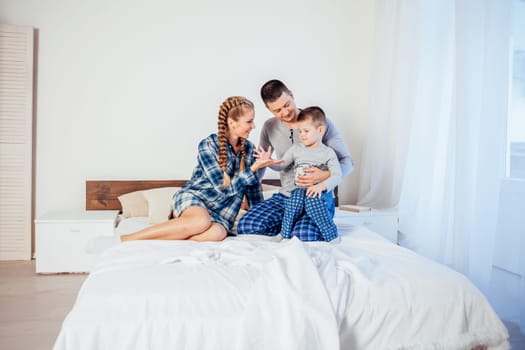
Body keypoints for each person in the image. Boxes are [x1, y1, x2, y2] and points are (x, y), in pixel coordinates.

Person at [120, 96, 281, 242]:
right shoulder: (208, 145)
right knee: (200, 221)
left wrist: (263, 217)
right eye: (249, 121)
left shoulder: (249, 150)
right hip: (195, 200)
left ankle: (176, 236)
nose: (253, 126)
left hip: (221, 213)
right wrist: (252, 168)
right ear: (232, 122)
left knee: (217, 234)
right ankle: (130, 238)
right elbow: (222, 187)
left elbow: (253, 192)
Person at [237, 80, 354, 241]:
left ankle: (301, 223)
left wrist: (324, 176)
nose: (284, 113)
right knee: (246, 226)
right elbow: (262, 166)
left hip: (316, 196)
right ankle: (289, 220)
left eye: (287, 105)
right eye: (277, 110)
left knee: (301, 236)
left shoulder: (318, 122)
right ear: (268, 109)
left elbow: (347, 161)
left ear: (291, 95)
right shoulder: (269, 127)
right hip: (286, 197)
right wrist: (245, 192)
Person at [270, 106, 342, 242]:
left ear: (320, 130)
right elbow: (281, 164)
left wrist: (322, 186)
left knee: (312, 200)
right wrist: (269, 161)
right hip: (301, 190)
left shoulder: (328, 153)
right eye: (300, 131)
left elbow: (337, 175)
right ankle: (284, 234)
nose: (301, 135)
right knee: (292, 202)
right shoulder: (296, 149)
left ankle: (331, 234)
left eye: (306, 131)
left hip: (321, 194)